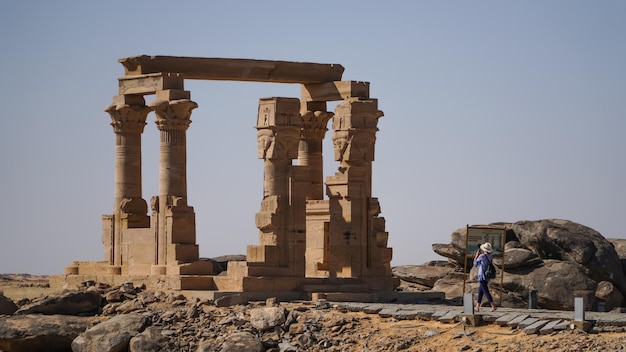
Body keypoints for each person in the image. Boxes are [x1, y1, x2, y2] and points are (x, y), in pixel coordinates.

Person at [473, 242, 497, 312]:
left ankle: (493, 305)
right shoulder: (490, 256)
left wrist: (476, 256)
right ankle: (477, 307)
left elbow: (475, 264)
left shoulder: (482, 256)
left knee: (485, 291)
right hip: (487, 276)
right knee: (480, 291)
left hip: (482, 275)